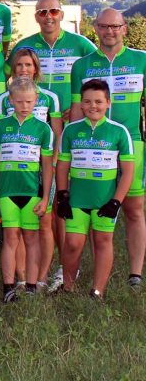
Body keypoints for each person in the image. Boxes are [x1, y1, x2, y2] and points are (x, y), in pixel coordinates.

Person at [69, 9, 146, 289]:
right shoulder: (82, 65)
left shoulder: (141, 59)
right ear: (96, 28)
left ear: (124, 28)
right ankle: (97, 274)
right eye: (103, 26)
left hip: (131, 141)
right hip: (92, 145)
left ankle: (135, 273)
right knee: (96, 207)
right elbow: (76, 109)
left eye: (115, 26)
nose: (109, 31)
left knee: (134, 209)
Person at [0, 47, 62, 291]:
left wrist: (48, 188)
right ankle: (15, 281)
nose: (24, 105)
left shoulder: (46, 112)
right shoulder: (3, 110)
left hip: (35, 181)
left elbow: (52, 148)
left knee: (36, 232)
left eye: (28, 64)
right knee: (11, 235)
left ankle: (36, 280)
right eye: (19, 64)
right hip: (8, 184)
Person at [58, 79, 134, 298]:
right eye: (88, 101)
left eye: (99, 101)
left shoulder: (119, 131)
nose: (93, 106)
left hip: (105, 200)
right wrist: (62, 195)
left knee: (102, 241)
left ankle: (97, 291)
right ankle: (68, 288)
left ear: (108, 103)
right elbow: (62, 166)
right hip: (77, 199)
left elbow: (128, 172)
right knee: (73, 243)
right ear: (81, 104)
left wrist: (116, 201)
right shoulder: (71, 130)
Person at [0, 77, 54, 303]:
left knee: (31, 238)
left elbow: (47, 165)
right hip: (7, 191)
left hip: (32, 191)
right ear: (10, 100)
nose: (24, 106)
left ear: (36, 100)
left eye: (28, 101)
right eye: (19, 102)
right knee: (10, 237)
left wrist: (46, 197)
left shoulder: (43, 128)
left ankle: (31, 285)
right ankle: (8, 286)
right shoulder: (1, 126)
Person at [8, 0, 96, 119]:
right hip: (35, 117)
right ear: (36, 17)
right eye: (42, 12)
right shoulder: (24, 45)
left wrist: (82, 106)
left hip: (69, 116)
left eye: (54, 11)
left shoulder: (81, 43)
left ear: (62, 15)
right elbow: (4, 75)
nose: (48, 16)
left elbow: (102, 76)